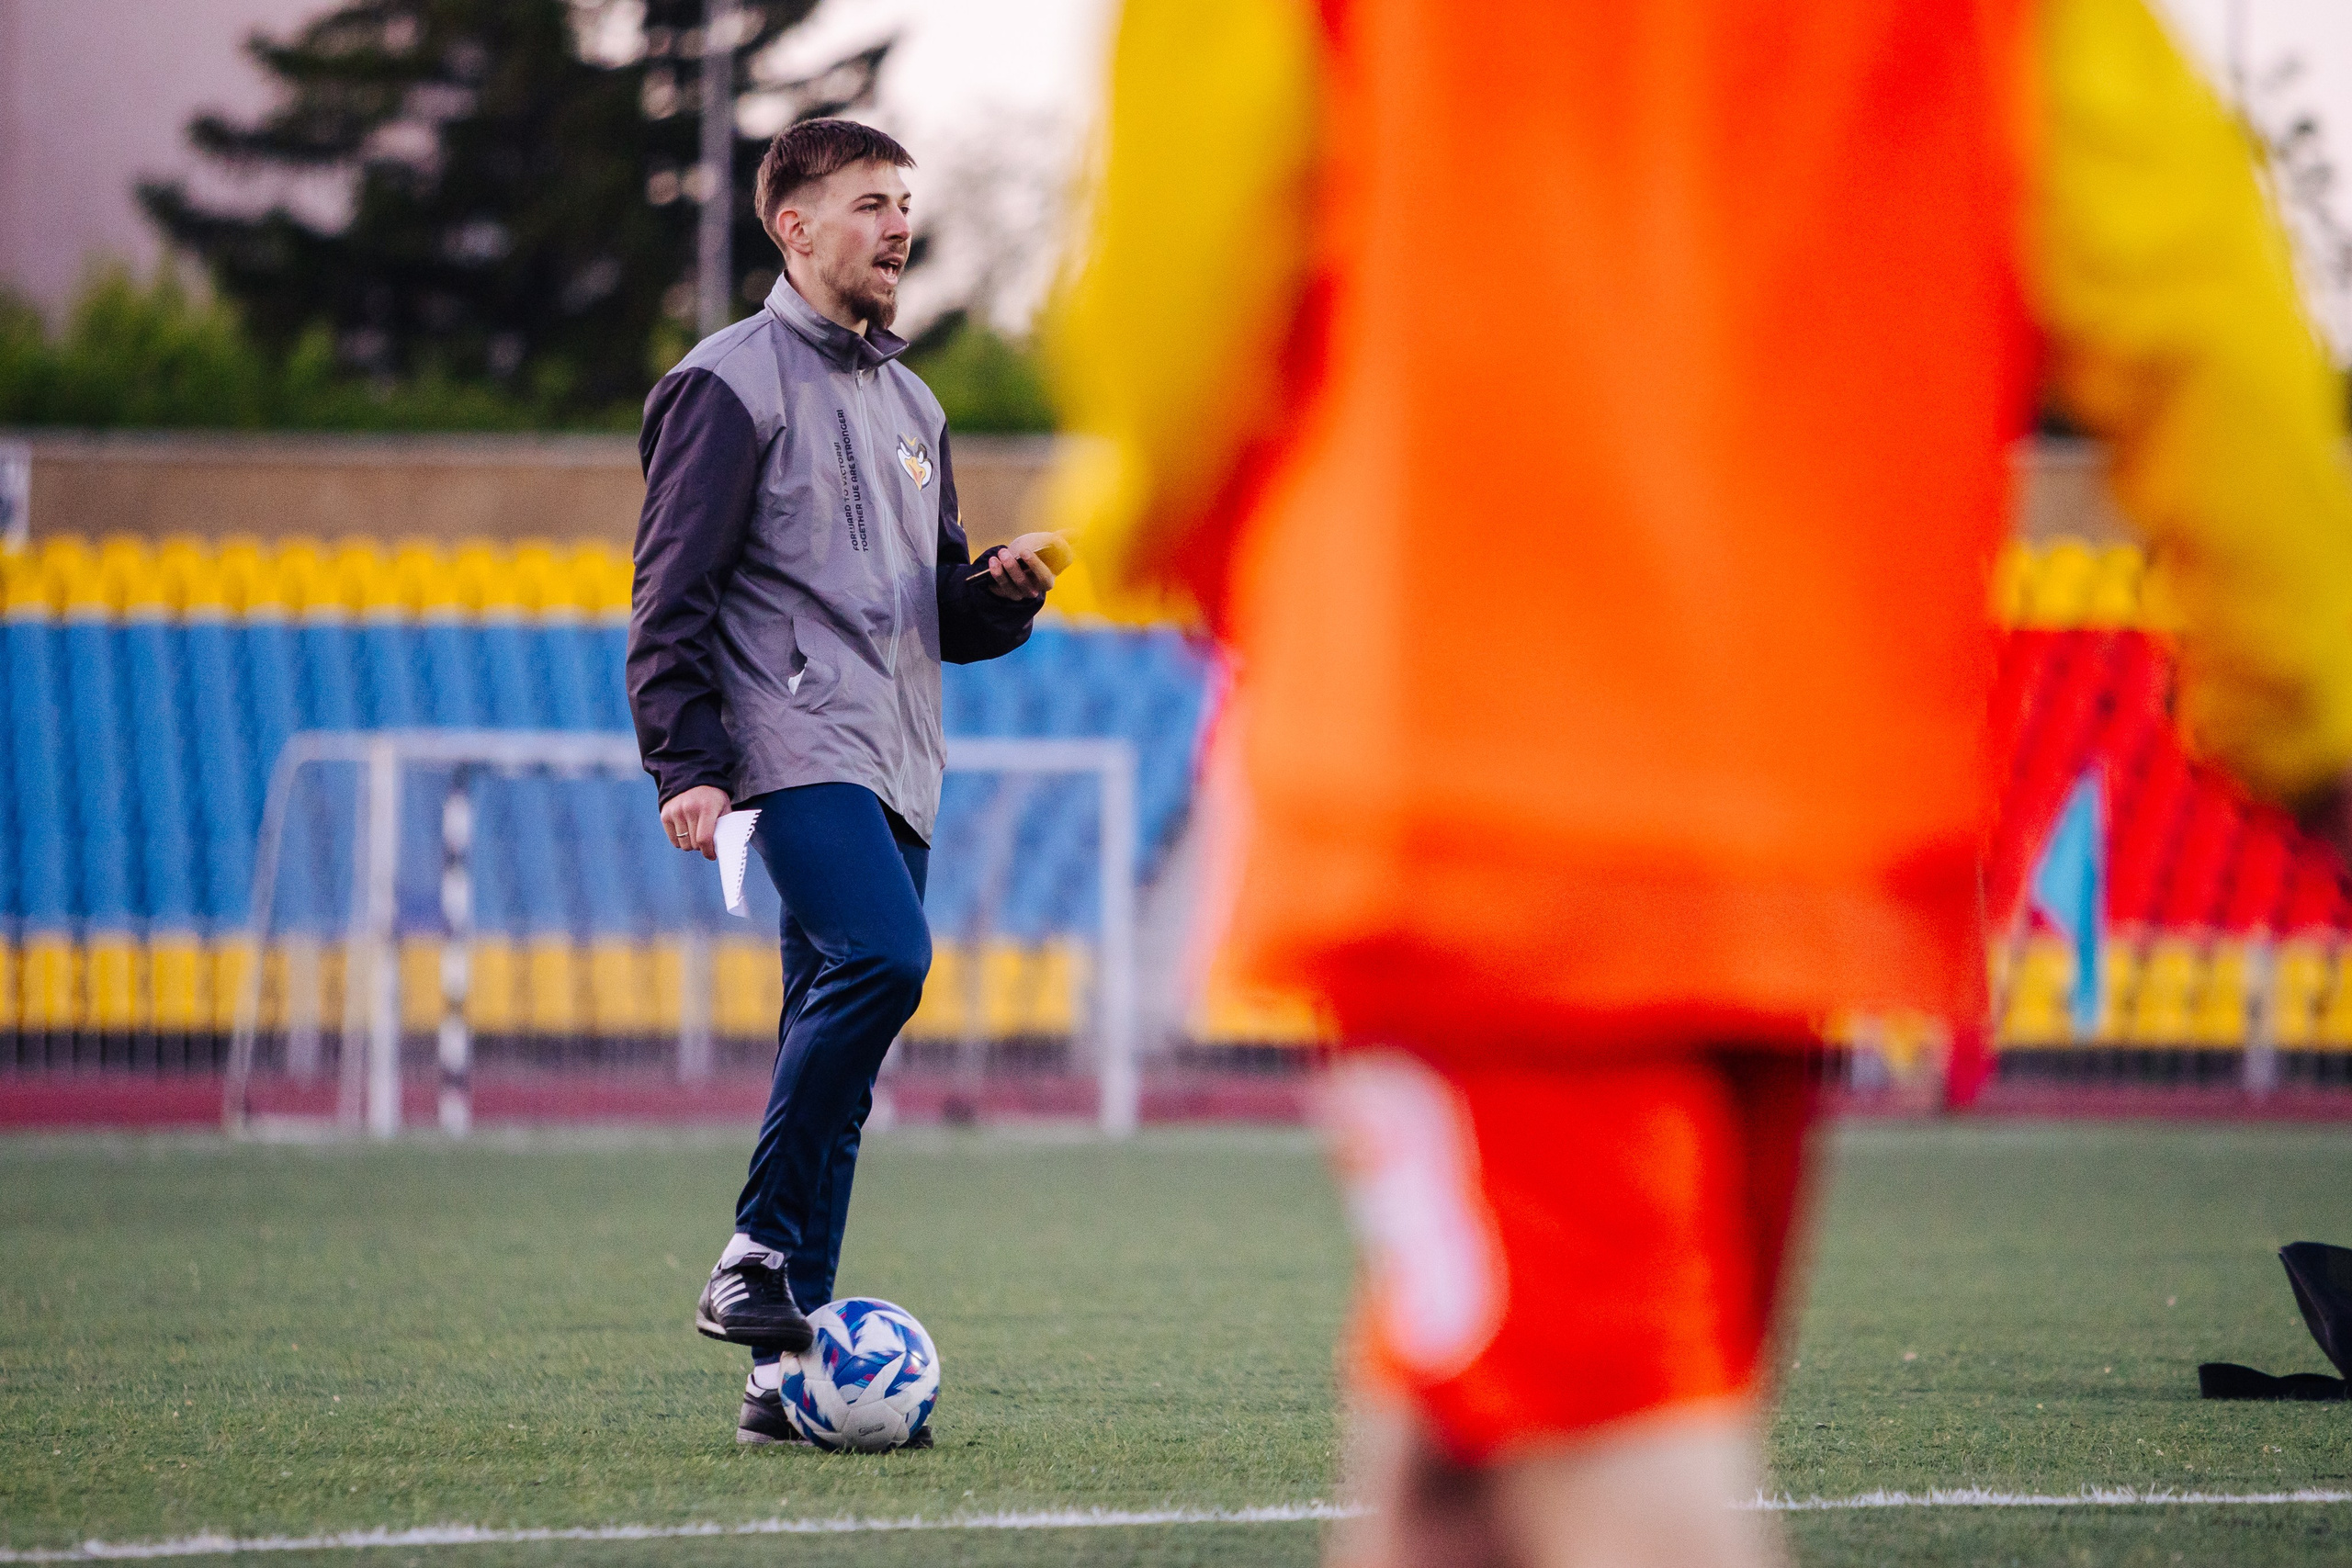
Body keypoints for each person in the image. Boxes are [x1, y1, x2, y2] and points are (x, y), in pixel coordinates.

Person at [1046, 0, 2352, 1562]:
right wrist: (2311, 696)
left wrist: (1147, 527)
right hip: (1809, 811)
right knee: (1493, 1441)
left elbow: (1188, 262)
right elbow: (2195, 297)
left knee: (1607, 1461)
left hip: (1479, 775)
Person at [628, 118, 1064, 1447]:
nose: (898, 225)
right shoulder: (725, 384)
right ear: (794, 227)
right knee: (885, 959)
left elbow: (933, 611)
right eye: (871, 202)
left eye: (905, 203)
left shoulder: (916, 405)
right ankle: (754, 1250)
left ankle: (780, 1381)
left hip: (896, 764)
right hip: (788, 748)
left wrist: (999, 594)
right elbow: (669, 601)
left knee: (843, 1050)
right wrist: (688, 766)